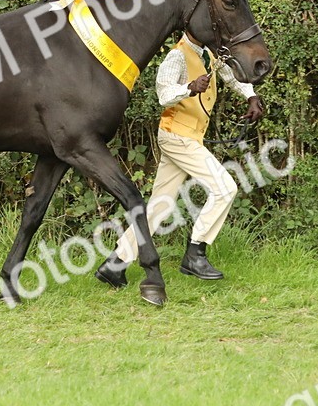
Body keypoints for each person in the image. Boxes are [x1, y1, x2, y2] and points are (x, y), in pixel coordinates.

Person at [95, 34, 265, 289]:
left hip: (189, 137)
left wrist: (250, 96)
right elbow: (163, 93)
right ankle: (195, 253)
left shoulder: (210, 53)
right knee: (225, 188)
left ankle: (116, 263)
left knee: (158, 207)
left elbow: (231, 76)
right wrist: (189, 88)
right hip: (177, 136)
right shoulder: (177, 55)